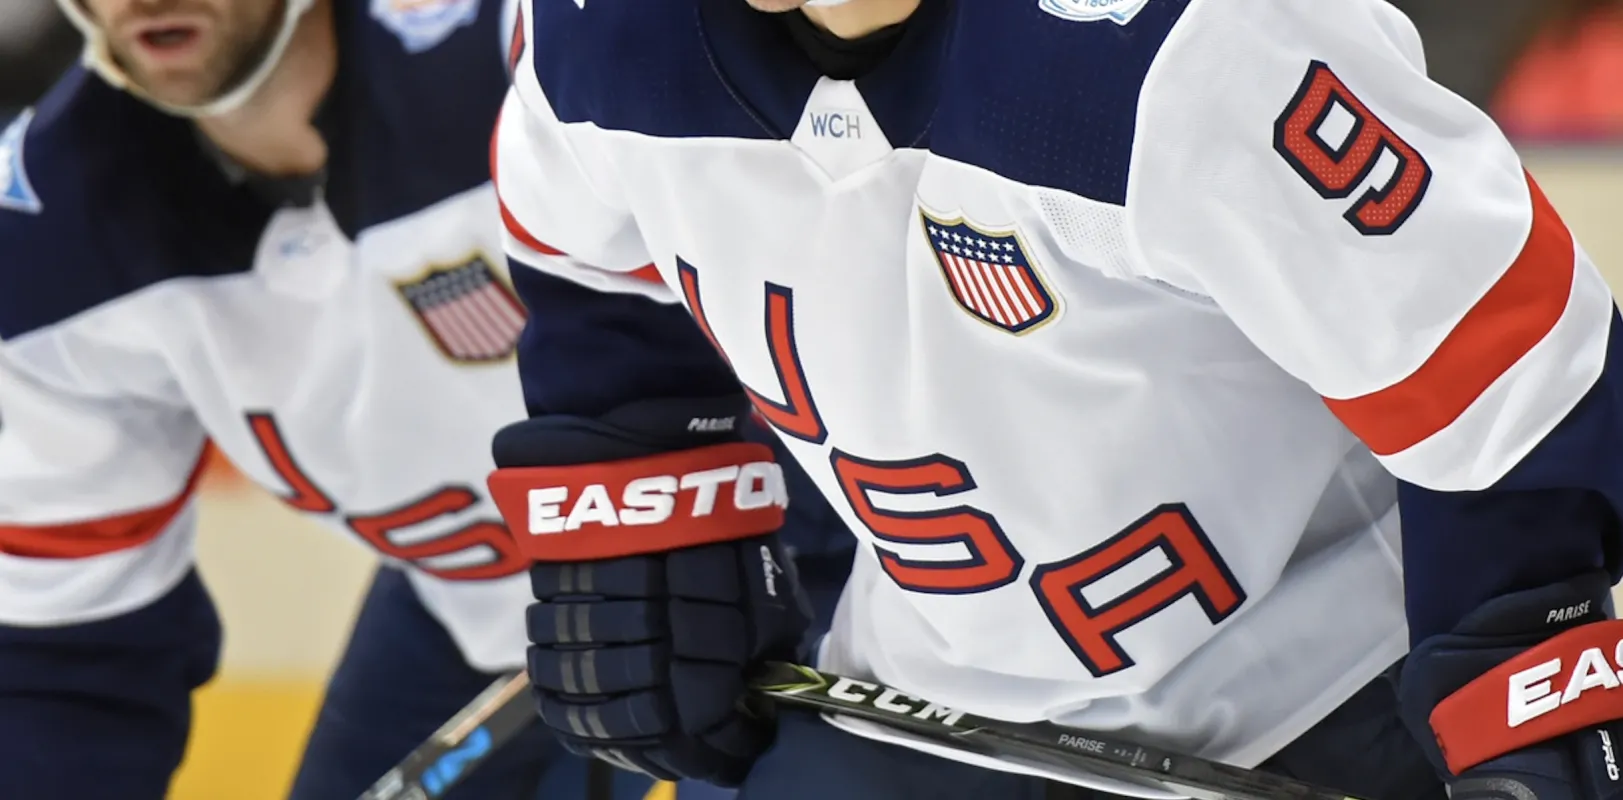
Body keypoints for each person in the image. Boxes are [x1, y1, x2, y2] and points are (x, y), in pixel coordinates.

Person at [485, 0, 1623, 798]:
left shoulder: (1189, 49)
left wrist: (1526, 662)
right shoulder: (601, 39)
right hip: (912, 693)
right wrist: (638, 510)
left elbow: (1501, 348)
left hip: (1315, 694)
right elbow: (577, 252)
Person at [0, 0, 849, 798]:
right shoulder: (46, 243)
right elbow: (64, 655)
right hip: (476, 608)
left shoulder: (523, 47)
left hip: (790, 560)